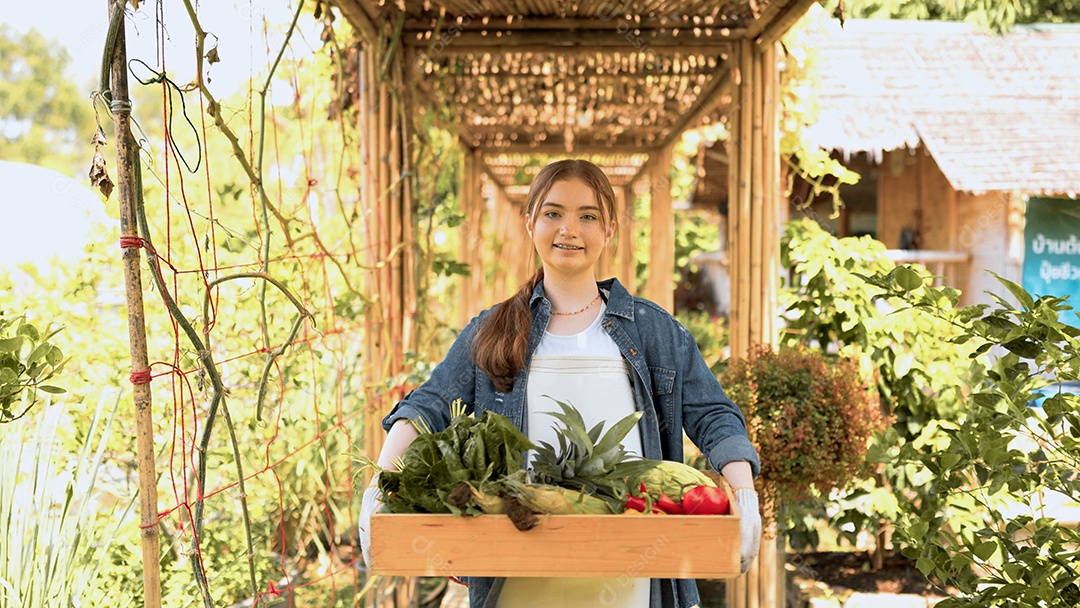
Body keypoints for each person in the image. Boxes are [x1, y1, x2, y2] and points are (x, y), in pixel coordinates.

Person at [359, 159, 762, 608]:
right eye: (553, 213)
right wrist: (379, 483)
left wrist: (742, 492)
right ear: (529, 222)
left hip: (631, 573)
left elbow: (713, 415)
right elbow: (427, 406)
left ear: (609, 229)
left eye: (587, 215)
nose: (569, 229)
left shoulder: (653, 332)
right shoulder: (492, 330)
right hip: (516, 570)